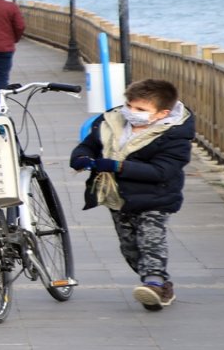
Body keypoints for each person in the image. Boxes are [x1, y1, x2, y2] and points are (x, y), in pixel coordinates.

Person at [70, 79, 194, 311]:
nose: (131, 112)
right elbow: (90, 144)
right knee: (129, 247)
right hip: (119, 197)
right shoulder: (111, 121)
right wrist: (81, 156)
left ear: (161, 113)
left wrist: (117, 166)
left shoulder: (175, 136)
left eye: (141, 110)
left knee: (150, 239)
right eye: (129, 106)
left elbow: (163, 171)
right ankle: (160, 285)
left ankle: (154, 281)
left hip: (156, 197)